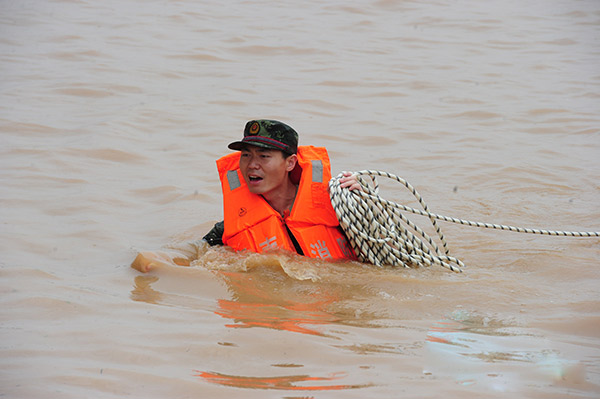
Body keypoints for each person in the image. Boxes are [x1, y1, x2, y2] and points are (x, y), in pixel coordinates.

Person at [132, 119, 360, 273]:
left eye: (263, 156)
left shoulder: (338, 206)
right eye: (246, 155)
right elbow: (195, 250)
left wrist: (361, 202)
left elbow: (387, 249)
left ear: (290, 163)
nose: (252, 165)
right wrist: (159, 258)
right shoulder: (232, 227)